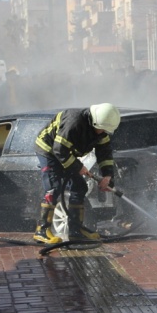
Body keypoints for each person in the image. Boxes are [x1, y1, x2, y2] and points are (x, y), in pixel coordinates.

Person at [32, 103, 120, 244]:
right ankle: (41, 231)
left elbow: (104, 153)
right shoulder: (75, 123)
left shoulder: (101, 129)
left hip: (65, 153)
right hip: (48, 150)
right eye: (102, 129)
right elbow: (59, 150)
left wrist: (108, 175)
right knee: (53, 188)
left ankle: (75, 231)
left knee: (79, 187)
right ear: (95, 122)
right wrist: (78, 166)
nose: (104, 132)